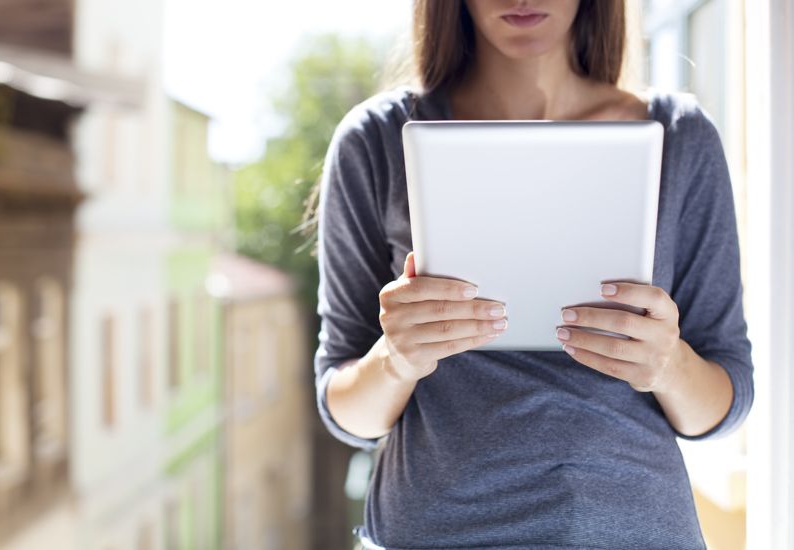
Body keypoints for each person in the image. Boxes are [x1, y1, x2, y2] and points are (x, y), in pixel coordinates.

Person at [312, 0, 754, 548]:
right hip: (436, 529)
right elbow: (345, 409)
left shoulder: (680, 137)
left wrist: (668, 365)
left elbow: (727, 397)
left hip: (633, 529)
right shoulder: (375, 140)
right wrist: (395, 358)